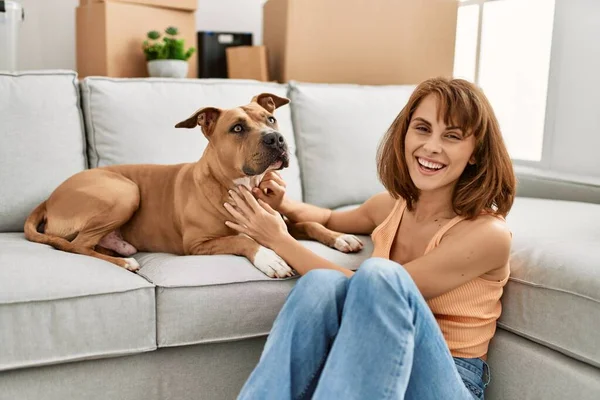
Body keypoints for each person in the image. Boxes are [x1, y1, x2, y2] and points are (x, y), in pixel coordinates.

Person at [223, 77, 516, 400]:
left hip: (448, 382)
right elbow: (329, 217)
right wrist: (283, 204)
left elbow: (366, 289)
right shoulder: (391, 206)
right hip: (379, 374)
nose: (432, 146)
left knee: (380, 275)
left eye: (452, 136)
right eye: (422, 128)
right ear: (404, 134)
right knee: (320, 285)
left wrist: (279, 240)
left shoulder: (488, 235)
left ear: (475, 153)